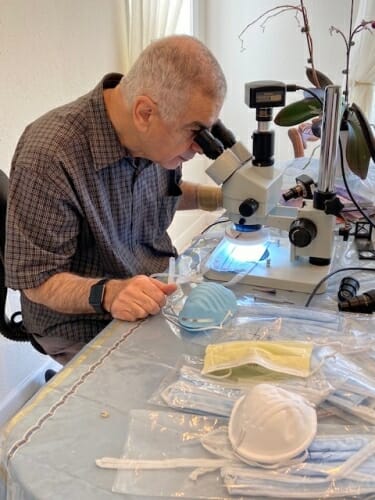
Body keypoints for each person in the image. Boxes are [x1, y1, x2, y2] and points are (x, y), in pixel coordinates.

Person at [5, 35, 227, 365]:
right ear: (144, 112)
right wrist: (109, 294)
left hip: (152, 291)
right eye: (195, 132)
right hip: (83, 319)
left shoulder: (156, 142)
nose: (201, 146)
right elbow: (36, 281)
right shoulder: (51, 156)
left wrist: (223, 197)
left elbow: (164, 196)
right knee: (173, 388)